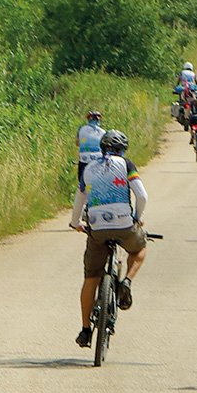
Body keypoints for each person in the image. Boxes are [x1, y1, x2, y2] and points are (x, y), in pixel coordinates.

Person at [75, 131, 148, 344]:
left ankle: (86, 330)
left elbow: (79, 198)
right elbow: (142, 195)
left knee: (90, 279)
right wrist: (137, 217)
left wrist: (76, 222)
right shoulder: (126, 164)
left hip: (97, 228)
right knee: (139, 249)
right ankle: (126, 281)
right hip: (124, 224)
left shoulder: (88, 168)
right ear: (122, 149)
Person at [77, 110, 104, 190]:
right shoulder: (103, 132)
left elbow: (77, 143)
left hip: (84, 159)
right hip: (98, 159)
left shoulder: (81, 129)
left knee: (81, 183)